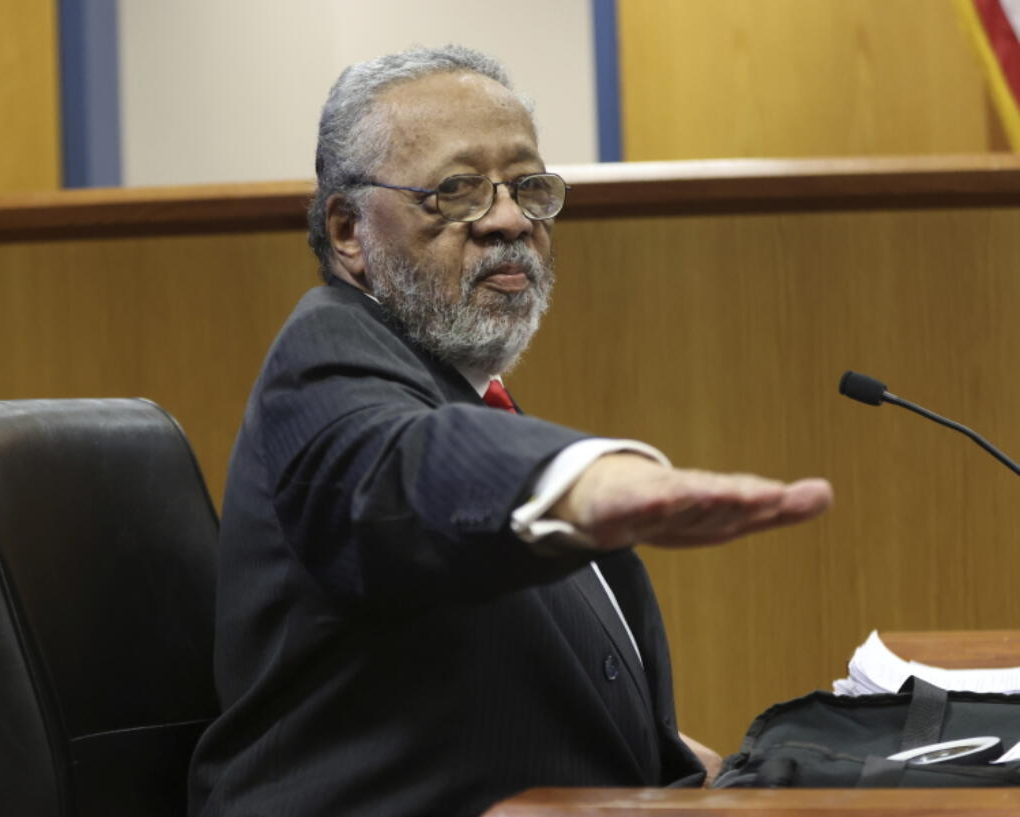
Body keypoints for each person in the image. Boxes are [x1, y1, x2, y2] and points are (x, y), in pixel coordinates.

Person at [189, 45, 832, 817]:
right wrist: (583, 479)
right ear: (348, 229)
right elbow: (404, 470)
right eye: (456, 191)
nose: (508, 219)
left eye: (529, 187)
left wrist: (682, 766)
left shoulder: (465, 392)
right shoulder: (326, 353)